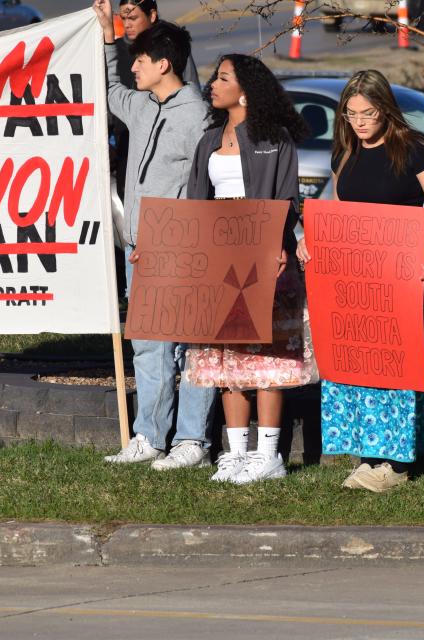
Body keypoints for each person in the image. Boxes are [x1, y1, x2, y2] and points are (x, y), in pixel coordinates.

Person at [296, 69, 424, 493]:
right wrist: (310, 244)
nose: (359, 122)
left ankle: (395, 460)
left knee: (396, 366)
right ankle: (368, 452)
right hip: (356, 282)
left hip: (405, 278)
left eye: (367, 113)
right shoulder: (344, 153)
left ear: (386, 109)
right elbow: (340, 216)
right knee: (358, 364)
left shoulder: (415, 149)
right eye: (351, 114)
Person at [92, 0, 217, 468]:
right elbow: (109, 90)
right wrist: (108, 35)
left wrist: (182, 242)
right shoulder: (141, 105)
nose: (133, 66)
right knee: (148, 345)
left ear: (163, 63)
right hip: (139, 247)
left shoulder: (198, 117)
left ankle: (192, 442)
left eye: (140, 59)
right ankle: (149, 435)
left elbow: (205, 189)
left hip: (180, 248)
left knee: (189, 345)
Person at [184, 54, 316, 485]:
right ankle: (236, 453)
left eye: (222, 78)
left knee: (265, 357)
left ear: (245, 90)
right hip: (219, 258)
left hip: (264, 255)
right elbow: (194, 204)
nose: (212, 85)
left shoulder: (274, 138)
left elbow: (286, 198)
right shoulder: (208, 140)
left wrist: (278, 245)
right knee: (227, 358)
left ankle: (269, 455)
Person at [112, 0, 198, 201]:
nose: (127, 24)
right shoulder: (115, 51)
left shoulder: (171, 46)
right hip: (127, 151)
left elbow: (192, 89)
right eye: (123, 18)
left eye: (133, 18)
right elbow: (110, 94)